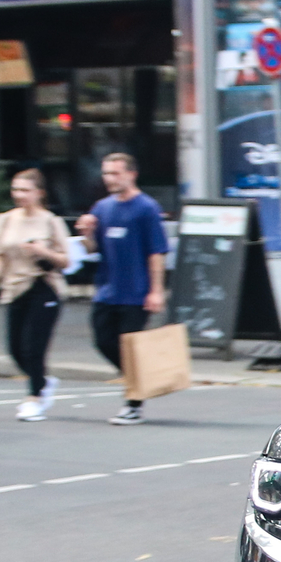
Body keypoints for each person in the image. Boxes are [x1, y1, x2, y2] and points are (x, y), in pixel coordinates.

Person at [75, 150, 169, 424]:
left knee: (130, 346)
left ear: (131, 174)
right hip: (107, 289)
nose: (109, 179)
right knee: (103, 340)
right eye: (106, 173)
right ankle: (140, 377)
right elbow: (93, 249)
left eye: (115, 173)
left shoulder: (146, 208)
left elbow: (156, 252)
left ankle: (133, 404)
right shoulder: (102, 208)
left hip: (136, 291)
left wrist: (156, 290)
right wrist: (87, 234)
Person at [0, 168, 71, 422]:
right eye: (16, 189)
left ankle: (34, 398)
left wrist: (42, 251)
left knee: (33, 347)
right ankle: (42, 381)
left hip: (43, 286)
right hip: (13, 288)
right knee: (15, 349)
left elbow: (66, 260)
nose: (19, 195)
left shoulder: (51, 221)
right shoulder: (4, 220)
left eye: (26, 190)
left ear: (39, 193)